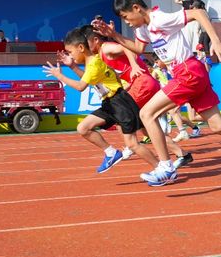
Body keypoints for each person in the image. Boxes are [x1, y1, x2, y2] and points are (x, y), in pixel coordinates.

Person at [92, 0, 221, 186]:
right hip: (189, 74)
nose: (127, 22)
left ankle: (166, 166)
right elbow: (139, 49)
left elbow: (198, 13)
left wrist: (216, 41)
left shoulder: (159, 18)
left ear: (136, 8)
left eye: (126, 17)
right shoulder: (142, 29)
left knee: (146, 113)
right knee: (218, 126)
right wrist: (113, 34)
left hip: (188, 71)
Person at [42, 27, 161, 179]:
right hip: (110, 104)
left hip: (120, 103)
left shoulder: (94, 63)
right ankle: (111, 153)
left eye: (70, 52)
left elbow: (81, 86)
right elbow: (87, 78)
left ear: (80, 47)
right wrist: (71, 65)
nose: (70, 56)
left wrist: (60, 76)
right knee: (83, 128)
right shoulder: (92, 63)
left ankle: (160, 167)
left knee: (132, 144)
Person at [81, 24, 193, 169]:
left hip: (142, 84)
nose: (85, 46)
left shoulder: (106, 48)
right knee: (147, 127)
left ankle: (131, 146)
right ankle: (181, 154)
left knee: (123, 115)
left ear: (95, 40)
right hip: (141, 84)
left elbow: (127, 48)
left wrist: (134, 65)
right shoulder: (100, 55)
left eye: (86, 42)